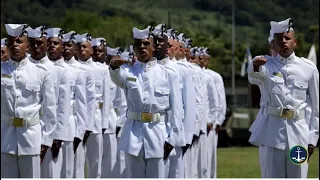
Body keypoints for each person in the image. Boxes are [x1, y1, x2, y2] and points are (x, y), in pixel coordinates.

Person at [247, 18, 319, 178]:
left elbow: (316, 107)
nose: (284, 42)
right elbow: (253, 78)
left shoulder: (308, 69)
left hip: (299, 134)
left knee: (298, 176)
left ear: (295, 42)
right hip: (272, 133)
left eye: (287, 38)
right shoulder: (264, 64)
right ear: (273, 44)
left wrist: (313, 138)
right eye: (279, 39)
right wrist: (256, 66)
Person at [109, 26, 183, 178]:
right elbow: (117, 78)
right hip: (133, 135)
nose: (142, 47)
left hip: (159, 134)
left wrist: (172, 138)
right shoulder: (128, 71)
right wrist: (113, 68)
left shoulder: (168, 74)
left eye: (146, 44)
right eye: (138, 44)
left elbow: (177, 110)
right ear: (134, 49)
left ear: (153, 47)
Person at [1, 24, 56, 178]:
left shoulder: (41, 73)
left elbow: (50, 110)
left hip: (31, 138)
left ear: (27, 46)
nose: (14, 46)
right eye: (10, 42)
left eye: (19, 42)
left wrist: (46, 140)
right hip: (5, 138)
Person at [153, 24, 196, 178]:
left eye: (169, 45)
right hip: (155, 132)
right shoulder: (150, 69)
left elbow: (189, 105)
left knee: (174, 174)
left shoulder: (181, 70)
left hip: (176, 135)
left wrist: (187, 137)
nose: (165, 48)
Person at [75, 33, 110, 178]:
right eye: (79, 47)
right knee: (77, 162)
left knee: (95, 161)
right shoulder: (72, 68)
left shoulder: (101, 69)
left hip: (95, 119)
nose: (82, 50)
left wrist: (104, 123)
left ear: (91, 50)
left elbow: (107, 98)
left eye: (85, 47)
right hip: (77, 120)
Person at [39, 27, 71, 178]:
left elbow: (63, 107)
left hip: (53, 132)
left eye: (55, 44)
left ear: (62, 46)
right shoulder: (39, 67)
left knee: (52, 174)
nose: (52, 46)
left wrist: (58, 136)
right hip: (36, 128)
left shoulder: (62, 71)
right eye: (49, 43)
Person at [63, 32, 96, 178]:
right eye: (63, 45)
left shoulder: (82, 70)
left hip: (74, 122)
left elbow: (88, 101)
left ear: (74, 49)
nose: (65, 48)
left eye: (68, 45)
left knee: (76, 167)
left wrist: (86, 127)